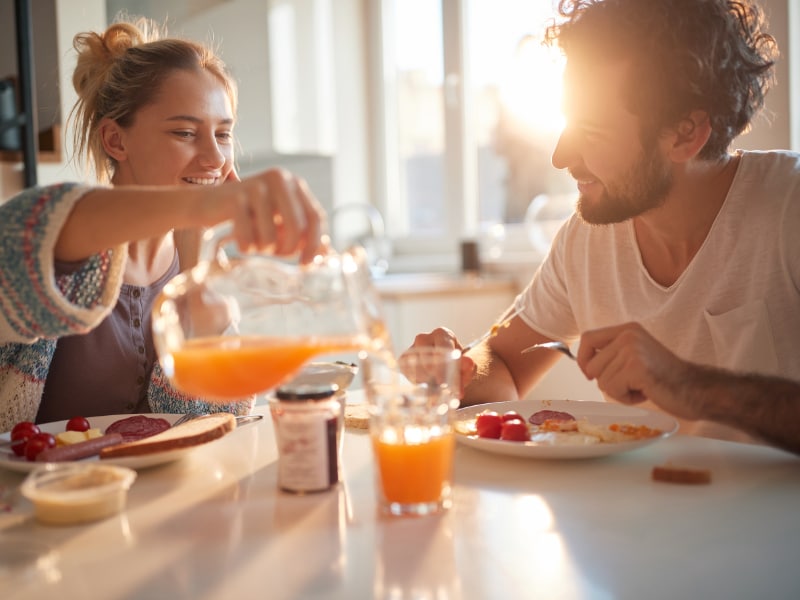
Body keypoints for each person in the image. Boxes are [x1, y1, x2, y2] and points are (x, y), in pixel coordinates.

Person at [412, 0, 800, 455]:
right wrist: (456, 369)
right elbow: (504, 363)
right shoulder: (587, 239)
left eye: (591, 132)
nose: (561, 157)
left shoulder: (787, 209)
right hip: (635, 520)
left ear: (684, 133)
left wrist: (692, 386)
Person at [0, 17, 327, 431]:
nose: (215, 159)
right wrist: (199, 206)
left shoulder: (202, 264)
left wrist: (198, 274)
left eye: (223, 134)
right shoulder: (67, 246)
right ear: (115, 140)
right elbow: (30, 228)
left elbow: (213, 425)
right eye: (186, 133)